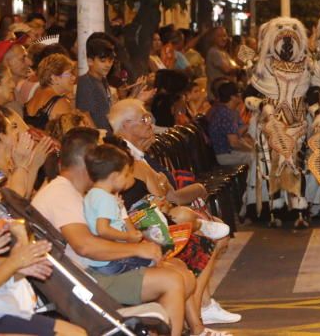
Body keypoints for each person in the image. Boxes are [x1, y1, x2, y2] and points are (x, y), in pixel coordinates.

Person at [31, 128, 197, 336]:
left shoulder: (75, 190)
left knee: (181, 272)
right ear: (88, 160)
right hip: (86, 281)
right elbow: (85, 246)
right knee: (172, 280)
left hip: (92, 273)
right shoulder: (60, 193)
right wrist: (136, 250)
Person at [108, 100, 239, 327]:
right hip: (144, 224)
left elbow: (164, 187)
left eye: (149, 118)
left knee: (204, 231)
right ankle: (198, 317)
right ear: (126, 125)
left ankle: (203, 309)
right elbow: (164, 193)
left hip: (151, 216)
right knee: (203, 241)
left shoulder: (141, 154)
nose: (150, 124)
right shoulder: (125, 158)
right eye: (144, 119)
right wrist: (196, 191)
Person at [0, 218, 85, 336]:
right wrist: (14, 261)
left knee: (76, 333)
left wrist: (15, 263)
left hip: (5, 314)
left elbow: (8, 266)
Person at [83, 144, 152, 275]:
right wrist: (127, 236)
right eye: (125, 174)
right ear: (114, 176)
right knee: (154, 260)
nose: (127, 179)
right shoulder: (105, 198)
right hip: (112, 261)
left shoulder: (91, 194)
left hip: (100, 261)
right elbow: (102, 229)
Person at [0, 104, 51, 200]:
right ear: (2, 136)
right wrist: (21, 166)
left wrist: (34, 165)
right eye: (12, 128)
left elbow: (25, 199)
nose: (17, 132)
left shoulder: (9, 165)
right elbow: (15, 202)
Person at [76, 33, 118, 132]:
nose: (108, 65)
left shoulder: (103, 80)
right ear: (90, 61)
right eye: (103, 61)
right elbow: (84, 114)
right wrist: (98, 138)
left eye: (110, 61)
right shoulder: (86, 81)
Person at [24, 53, 77, 129]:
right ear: (54, 78)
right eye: (69, 74)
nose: (74, 78)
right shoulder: (59, 103)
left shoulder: (34, 98)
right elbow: (71, 136)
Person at [207, 81, 253, 167]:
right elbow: (234, 143)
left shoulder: (230, 111)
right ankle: (253, 181)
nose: (241, 96)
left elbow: (237, 132)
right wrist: (252, 149)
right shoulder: (225, 114)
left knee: (258, 154)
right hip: (225, 154)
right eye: (239, 93)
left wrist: (252, 124)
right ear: (233, 97)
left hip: (229, 152)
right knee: (256, 157)